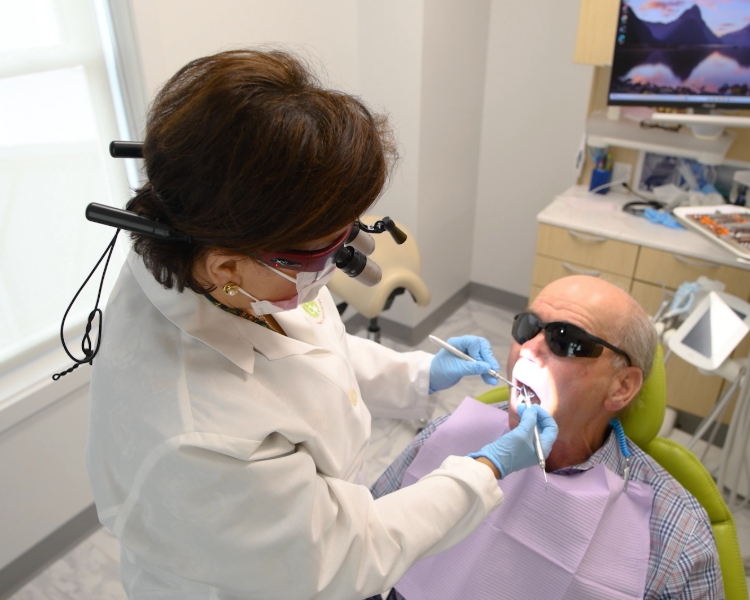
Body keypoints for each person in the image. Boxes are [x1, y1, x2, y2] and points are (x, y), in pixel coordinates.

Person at [84, 50, 558, 600]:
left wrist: (421, 372)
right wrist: (484, 470)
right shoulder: (199, 438)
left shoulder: (229, 273)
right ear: (227, 266)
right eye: (320, 254)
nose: (339, 265)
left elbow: (308, 355)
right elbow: (348, 554)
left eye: (347, 237)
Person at [368, 275, 723, 600]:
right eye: (527, 328)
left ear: (621, 386)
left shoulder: (676, 537)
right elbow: (359, 549)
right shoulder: (448, 434)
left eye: (565, 340)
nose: (526, 349)